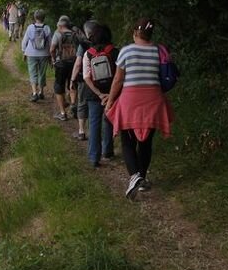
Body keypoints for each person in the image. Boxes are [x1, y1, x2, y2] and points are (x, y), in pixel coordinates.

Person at [105, 17, 174, 200]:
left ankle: (135, 175)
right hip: (154, 99)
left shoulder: (127, 51)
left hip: (131, 100)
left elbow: (118, 80)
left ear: (135, 32)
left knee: (128, 141)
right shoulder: (158, 51)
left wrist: (110, 101)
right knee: (146, 143)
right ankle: (141, 179)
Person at [83, 23, 116, 167]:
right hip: (111, 93)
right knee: (109, 121)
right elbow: (119, 76)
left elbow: (86, 77)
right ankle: (107, 151)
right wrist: (109, 94)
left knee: (94, 123)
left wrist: (98, 93)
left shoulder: (88, 53)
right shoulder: (115, 52)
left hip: (93, 94)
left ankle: (94, 157)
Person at [69, 20, 97, 140]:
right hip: (102, 79)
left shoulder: (84, 45)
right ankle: (95, 132)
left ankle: (81, 131)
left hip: (85, 78)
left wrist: (72, 79)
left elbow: (78, 63)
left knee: (82, 103)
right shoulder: (105, 43)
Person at [49, 15, 79, 121]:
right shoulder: (75, 34)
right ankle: (73, 104)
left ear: (60, 25)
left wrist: (53, 60)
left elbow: (52, 49)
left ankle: (63, 113)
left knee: (59, 87)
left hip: (61, 64)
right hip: (74, 63)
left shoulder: (58, 34)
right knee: (72, 84)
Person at [21, 9, 51, 102]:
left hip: (31, 53)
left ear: (35, 17)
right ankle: (41, 92)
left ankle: (34, 93)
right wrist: (51, 54)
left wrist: (24, 51)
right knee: (42, 73)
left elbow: (24, 41)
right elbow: (51, 42)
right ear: (44, 18)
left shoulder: (30, 27)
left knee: (32, 72)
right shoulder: (47, 28)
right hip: (44, 54)